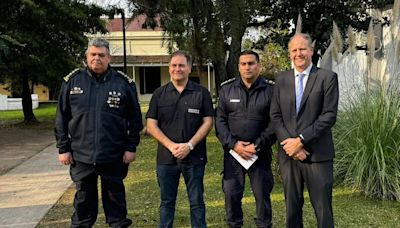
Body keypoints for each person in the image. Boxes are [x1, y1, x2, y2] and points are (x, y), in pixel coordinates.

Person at [55, 37, 143, 228]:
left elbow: (135, 119)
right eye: (93, 54)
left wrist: (131, 146)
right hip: (82, 154)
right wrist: (63, 148)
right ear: (86, 56)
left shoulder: (123, 84)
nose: (97, 58)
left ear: (109, 57)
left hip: (114, 153)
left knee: (115, 201)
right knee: (83, 201)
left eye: (101, 55)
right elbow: (61, 118)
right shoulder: (72, 82)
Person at [270, 33, 339, 228]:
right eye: (294, 50)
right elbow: (275, 116)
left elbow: (328, 116)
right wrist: (290, 146)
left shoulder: (327, 78)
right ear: (289, 53)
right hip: (288, 156)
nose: (298, 53)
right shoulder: (281, 79)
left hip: (318, 155)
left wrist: (300, 140)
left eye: (302, 49)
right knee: (292, 208)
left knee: (323, 209)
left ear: (311, 51)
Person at [145, 51, 214, 228]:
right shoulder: (159, 94)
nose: (178, 69)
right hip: (166, 159)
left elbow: (208, 122)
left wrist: (189, 145)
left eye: (182, 65)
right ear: (169, 68)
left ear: (189, 68)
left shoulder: (201, 93)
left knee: (197, 202)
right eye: (174, 65)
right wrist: (171, 146)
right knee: (167, 203)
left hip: (195, 157)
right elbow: (151, 125)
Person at [215, 50, 276, 228]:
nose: (247, 67)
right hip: (233, 154)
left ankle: (264, 225)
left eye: (251, 63)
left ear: (259, 66)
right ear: (238, 67)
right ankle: (234, 224)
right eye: (243, 64)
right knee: (231, 193)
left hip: (260, 154)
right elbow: (220, 121)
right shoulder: (226, 89)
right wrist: (234, 145)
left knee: (262, 195)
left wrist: (257, 146)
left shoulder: (271, 90)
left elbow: (275, 122)